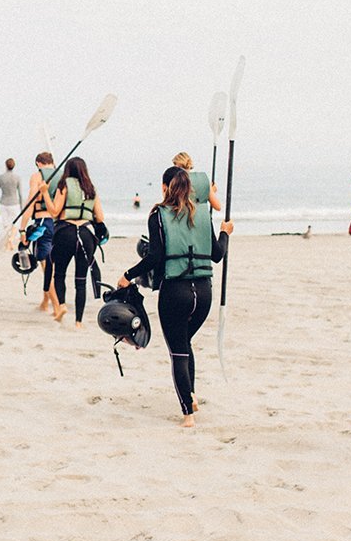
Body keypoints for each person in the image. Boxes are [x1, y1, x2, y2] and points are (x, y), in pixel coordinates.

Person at [117, 166, 234, 427]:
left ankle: (188, 415)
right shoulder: (203, 213)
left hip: (175, 292)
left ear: (165, 187)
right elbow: (217, 254)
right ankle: (190, 396)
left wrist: (127, 275)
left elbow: (155, 257)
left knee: (178, 352)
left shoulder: (158, 214)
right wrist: (225, 231)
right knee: (185, 344)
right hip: (204, 294)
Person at [42, 156, 105, 327]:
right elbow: (100, 217)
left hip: (66, 232)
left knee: (60, 273)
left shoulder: (64, 186)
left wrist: (45, 193)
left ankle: (61, 305)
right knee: (81, 280)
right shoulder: (91, 188)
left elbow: (54, 211)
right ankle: (78, 321)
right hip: (85, 234)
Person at [22, 151, 61, 312]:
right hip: (60, 225)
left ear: (38, 163)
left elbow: (31, 202)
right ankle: (45, 302)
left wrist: (22, 228)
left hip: (43, 222)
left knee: (47, 268)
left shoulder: (37, 176)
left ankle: (58, 307)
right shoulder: (63, 176)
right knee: (54, 267)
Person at [0, 158, 23, 222]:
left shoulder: (0, 177)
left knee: (5, 225)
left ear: (6, 165)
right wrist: (21, 207)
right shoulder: (17, 178)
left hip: (3, 203)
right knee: (14, 224)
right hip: (14, 203)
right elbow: (20, 194)